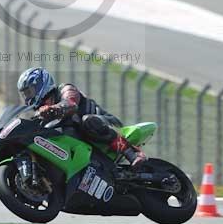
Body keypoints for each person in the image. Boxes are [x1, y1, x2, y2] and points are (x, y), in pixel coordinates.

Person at [17, 67, 146, 167]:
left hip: (106, 123)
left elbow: (71, 104)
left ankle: (132, 153)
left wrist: (53, 109)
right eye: (25, 95)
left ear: (41, 84)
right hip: (86, 143)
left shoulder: (65, 89)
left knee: (88, 121)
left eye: (29, 92)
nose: (28, 98)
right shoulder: (40, 113)